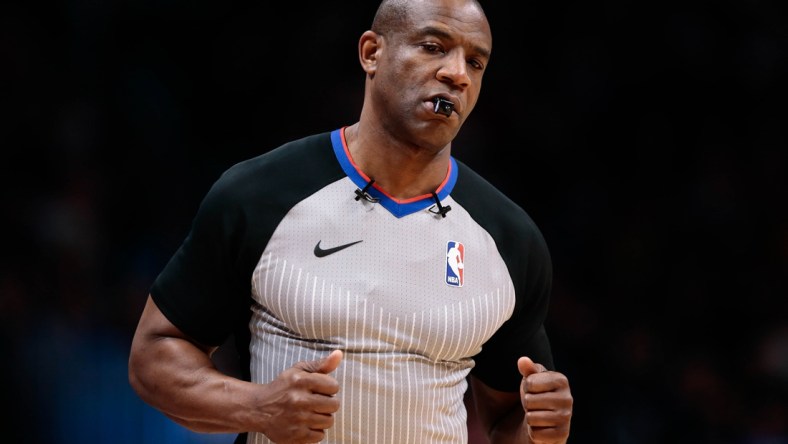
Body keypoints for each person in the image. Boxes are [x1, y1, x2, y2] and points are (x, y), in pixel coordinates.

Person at [128, 0, 574, 442]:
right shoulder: (259, 194)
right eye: (434, 47)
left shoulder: (510, 240)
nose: (457, 73)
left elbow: (506, 423)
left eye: (475, 62)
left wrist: (541, 431)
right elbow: (153, 357)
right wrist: (260, 407)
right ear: (371, 53)